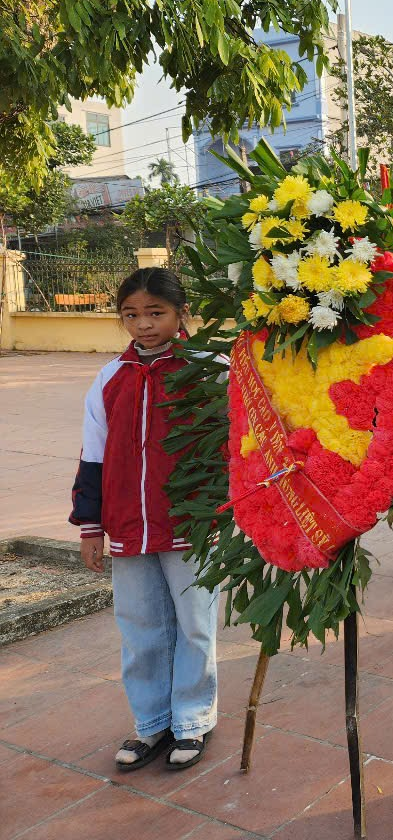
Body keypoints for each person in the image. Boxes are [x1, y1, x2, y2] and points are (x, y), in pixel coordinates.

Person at [70, 267, 218, 772]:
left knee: (194, 624)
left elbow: (234, 443)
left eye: (156, 313)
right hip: (129, 521)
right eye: (131, 315)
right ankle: (152, 721)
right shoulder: (111, 376)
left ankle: (194, 720)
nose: (144, 325)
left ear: (181, 314)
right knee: (140, 627)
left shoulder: (209, 368)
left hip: (191, 523)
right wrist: (91, 526)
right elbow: (93, 452)